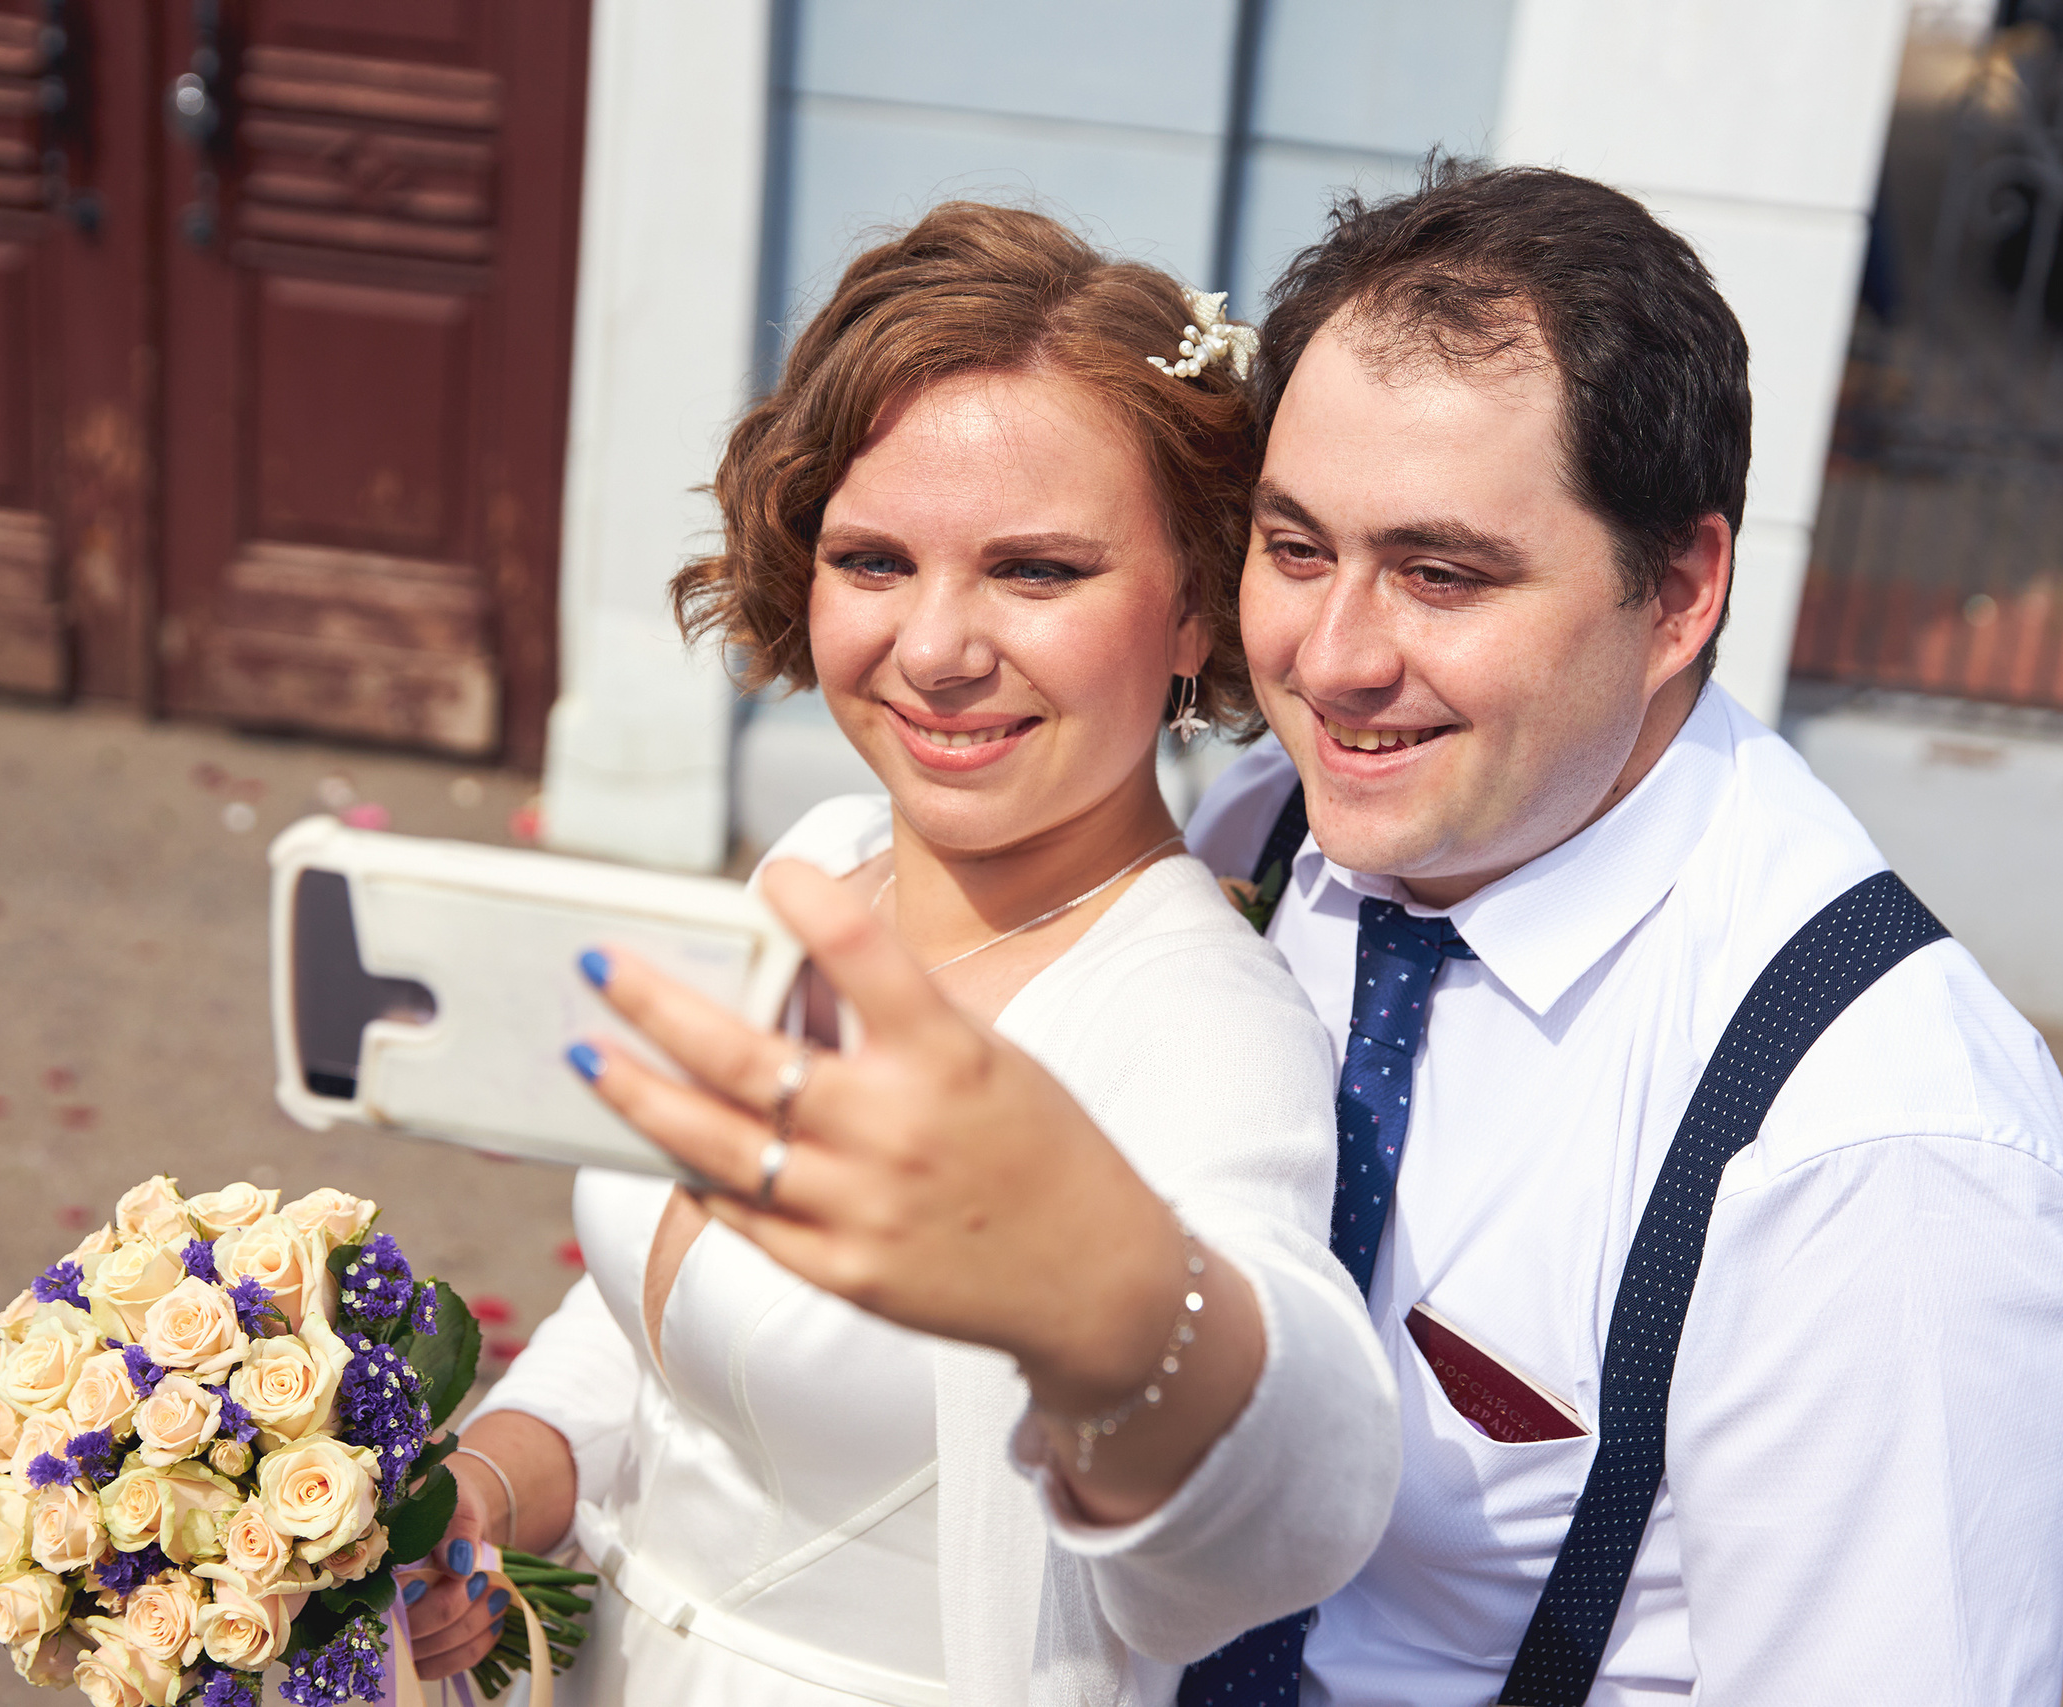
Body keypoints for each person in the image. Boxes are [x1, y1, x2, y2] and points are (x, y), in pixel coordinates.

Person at [567, 160, 2063, 1705]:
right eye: (1297, 549)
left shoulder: (1875, 1136)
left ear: (1681, 592)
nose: (1333, 660)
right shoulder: (1264, 825)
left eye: (1442, 574)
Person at [404, 203, 1400, 1705]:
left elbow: (1258, 1522)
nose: (934, 649)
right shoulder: (814, 864)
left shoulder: (1202, 1023)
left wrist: (1118, 1305)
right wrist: (488, 1485)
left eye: (1037, 571)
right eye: (872, 559)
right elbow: (651, 1336)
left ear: (1200, 602)